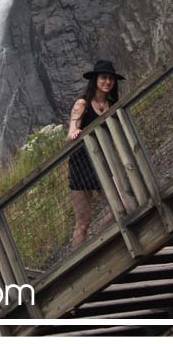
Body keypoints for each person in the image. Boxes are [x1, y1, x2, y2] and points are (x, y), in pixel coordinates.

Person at [68, 60, 123, 248]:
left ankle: (96, 244)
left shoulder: (111, 104)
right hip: (81, 164)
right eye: (104, 78)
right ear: (95, 80)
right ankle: (77, 263)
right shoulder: (82, 103)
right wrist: (75, 132)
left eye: (110, 79)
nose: (107, 82)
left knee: (117, 204)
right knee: (83, 221)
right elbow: (71, 132)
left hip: (101, 161)